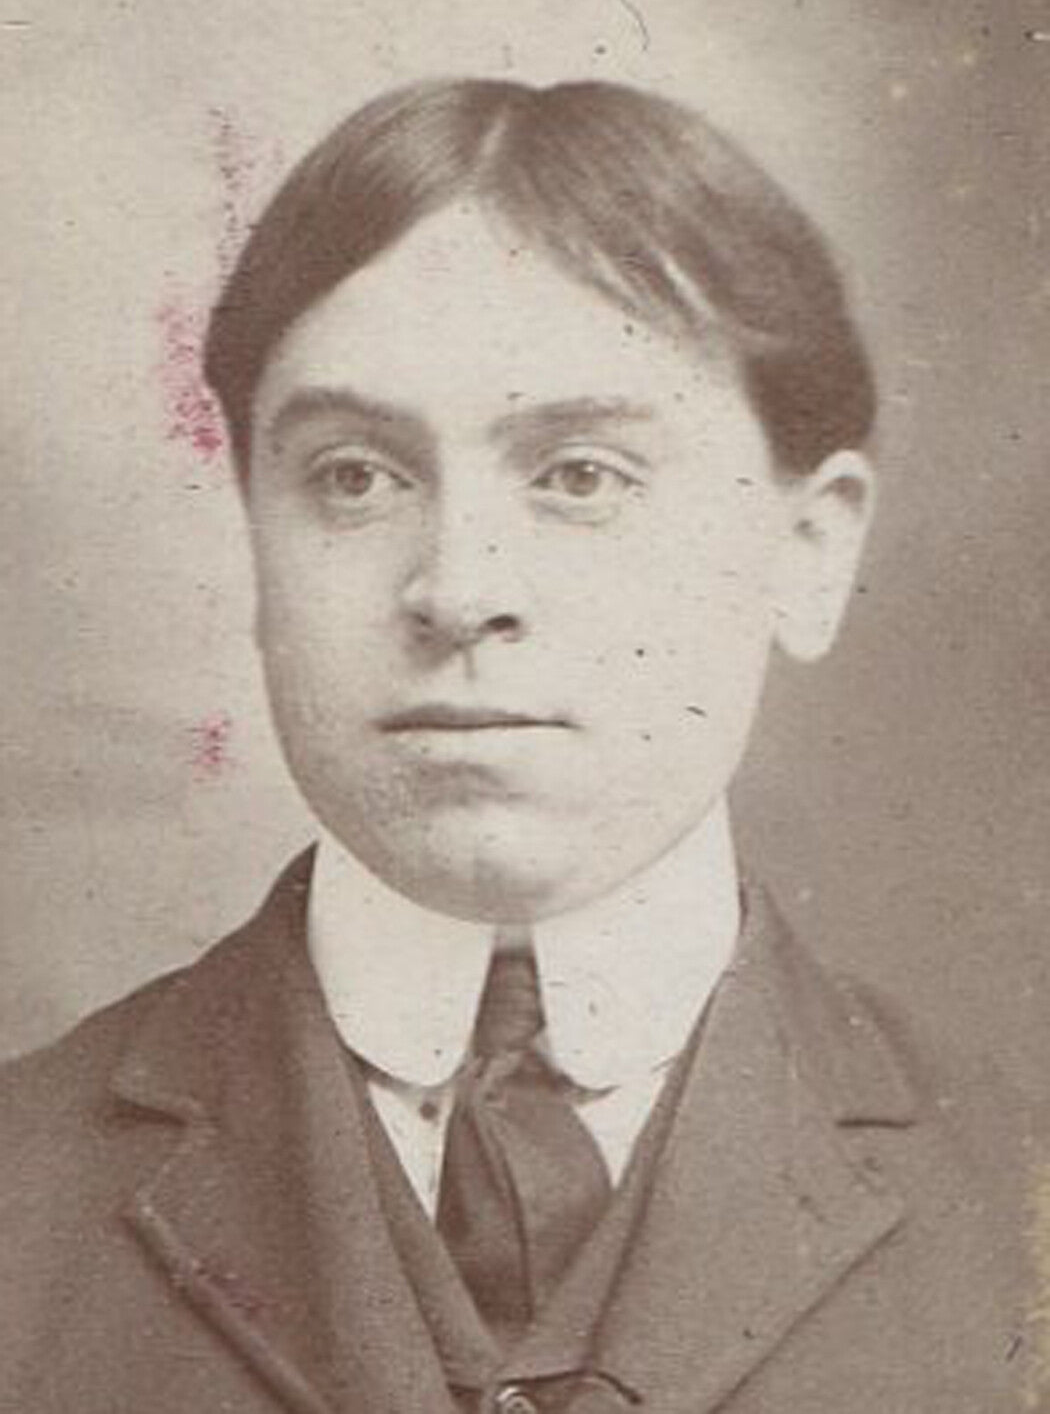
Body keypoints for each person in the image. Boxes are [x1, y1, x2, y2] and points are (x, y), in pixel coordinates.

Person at [0, 78, 1030, 1413]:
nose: (458, 585)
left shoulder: (1017, 1199)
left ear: (808, 550)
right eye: (355, 476)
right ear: (254, 538)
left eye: (579, 474)